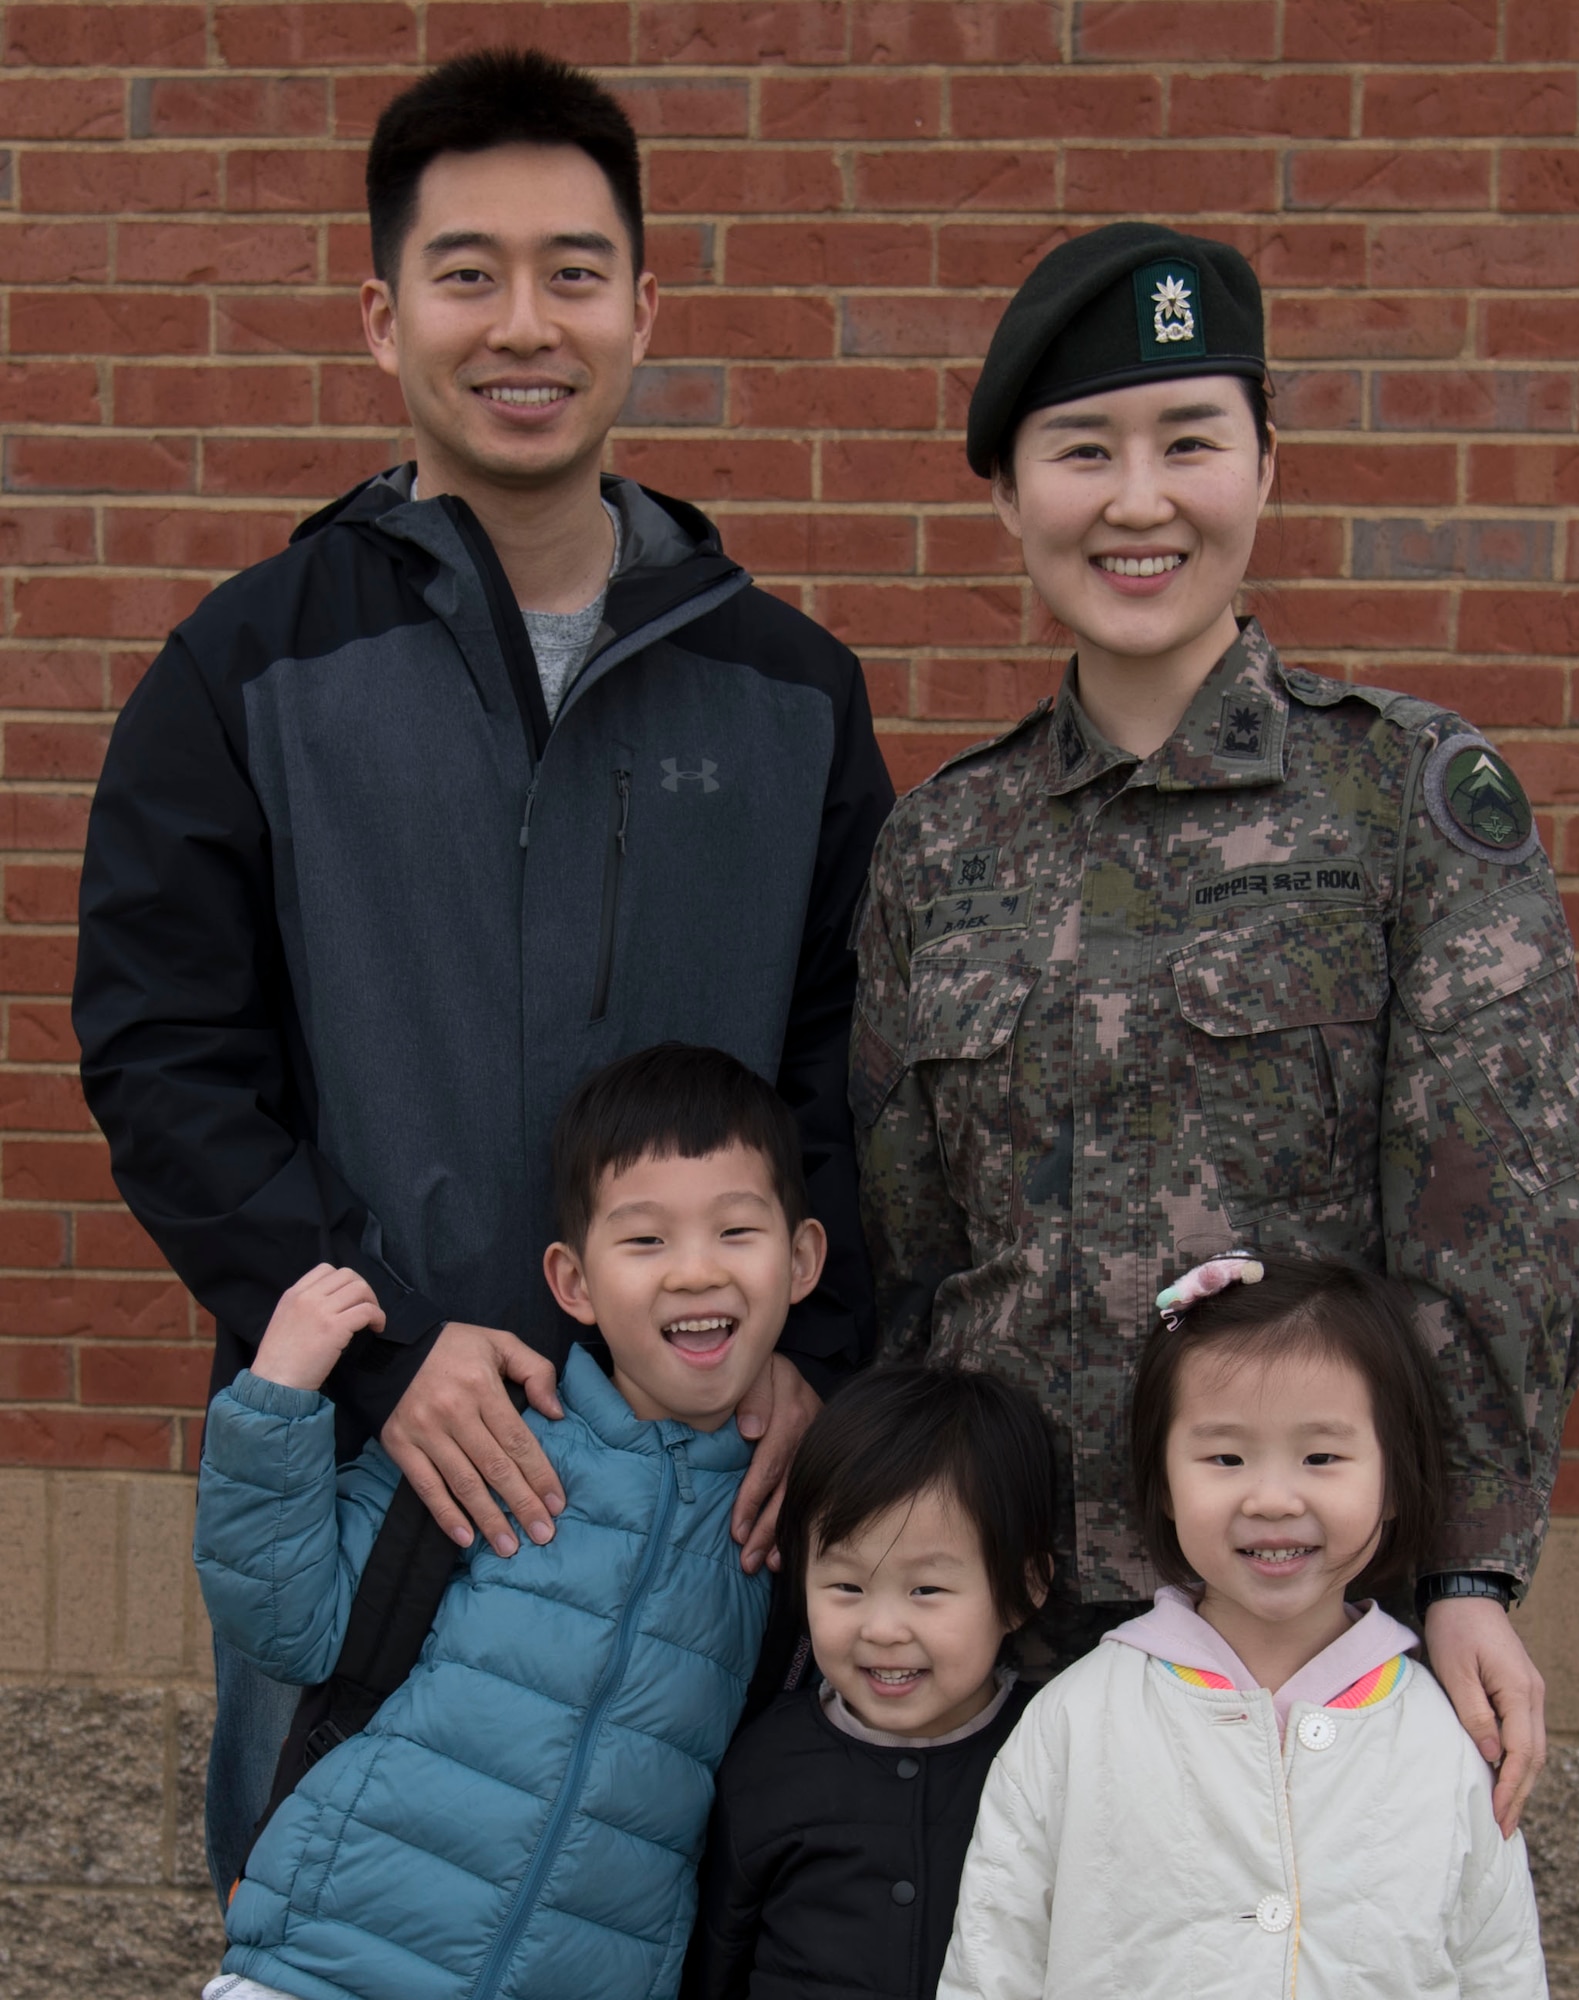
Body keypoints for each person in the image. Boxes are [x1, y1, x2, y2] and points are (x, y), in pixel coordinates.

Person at [73, 50, 891, 1899]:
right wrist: (363, 1338)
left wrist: (811, 1359)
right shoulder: (245, 671)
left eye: (574, 271)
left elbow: (849, 1059)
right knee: (335, 1926)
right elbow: (161, 1051)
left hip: (696, 1516)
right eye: (467, 273)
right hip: (381, 1492)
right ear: (381, 315)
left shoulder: (785, 689)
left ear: (644, 306)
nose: (524, 324)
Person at [849, 221, 1579, 1829]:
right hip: (1001, 1641)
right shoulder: (940, 847)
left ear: (1265, 466)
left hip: (1306, 1641)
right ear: (1006, 497)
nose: (1138, 501)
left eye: (1188, 440)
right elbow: (911, 1258)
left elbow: (1511, 1227)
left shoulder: (1404, 801)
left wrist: (1467, 1566)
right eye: (1081, 452)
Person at [195, 1044, 826, 2000]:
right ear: (573, 1281)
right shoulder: (490, 1438)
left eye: (737, 1232)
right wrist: (278, 1391)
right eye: (646, 1241)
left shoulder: (792, 1515)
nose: (695, 1273)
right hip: (326, 1967)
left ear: (803, 1260)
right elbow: (286, 1623)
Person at [938, 1254, 1548, 2000]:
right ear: (1163, 1482)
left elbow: (1500, 1968)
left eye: (1322, 1456)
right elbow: (991, 1965)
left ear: (1394, 1480)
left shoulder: (1444, 1743)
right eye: (1226, 1456)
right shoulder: (1073, 1721)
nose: (1271, 1498)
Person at [683, 1364, 1056, 2000]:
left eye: (927, 1589)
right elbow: (716, 1957)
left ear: (1021, 1590)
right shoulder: (768, 1762)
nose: (882, 1629)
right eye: (847, 1586)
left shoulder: (1051, 1752)